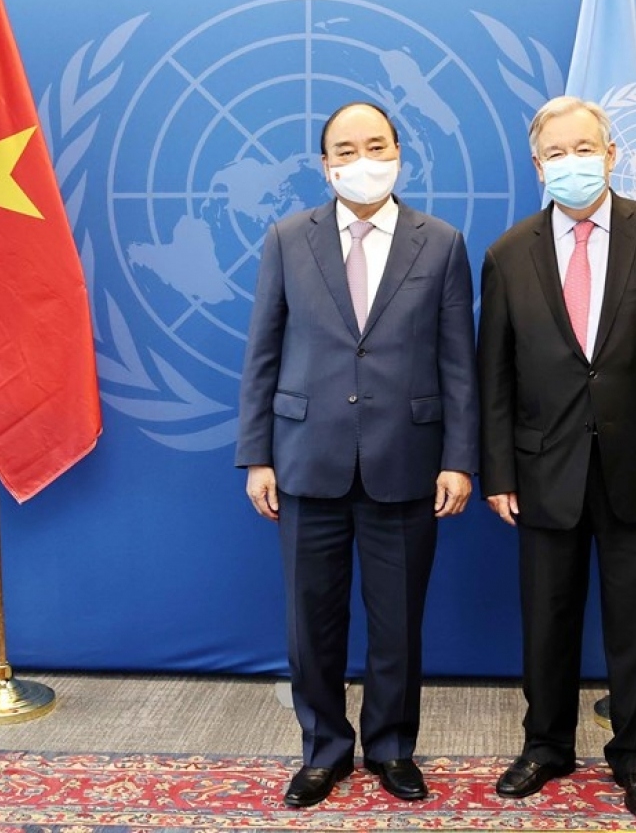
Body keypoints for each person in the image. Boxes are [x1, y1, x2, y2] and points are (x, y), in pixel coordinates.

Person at [477, 96, 636, 820]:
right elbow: (495, 376)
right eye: (556, 152)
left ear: (611, 154)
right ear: (537, 165)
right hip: (543, 468)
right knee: (546, 621)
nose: (571, 162)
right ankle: (545, 746)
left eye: (584, 147)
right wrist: (498, 474)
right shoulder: (508, 253)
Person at [236, 102, 478, 808]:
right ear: (325, 164)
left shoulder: (442, 243)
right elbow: (263, 353)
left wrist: (459, 458)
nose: (362, 159)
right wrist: (258, 455)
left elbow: (459, 363)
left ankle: (393, 747)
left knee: (398, 620)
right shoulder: (287, 237)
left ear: (400, 152)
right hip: (305, 459)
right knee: (311, 621)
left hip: (408, 462)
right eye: (346, 149)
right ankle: (323, 750)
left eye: (376, 145)